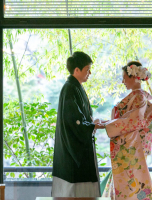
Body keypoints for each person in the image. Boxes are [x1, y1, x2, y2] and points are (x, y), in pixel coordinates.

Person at [101, 61, 152, 200]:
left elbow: (135, 121)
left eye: (124, 77)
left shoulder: (139, 97)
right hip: (130, 147)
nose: (123, 81)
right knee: (129, 185)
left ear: (133, 77)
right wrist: (107, 123)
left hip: (131, 148)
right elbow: (129, 118)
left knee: (130, 187)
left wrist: (106, 125)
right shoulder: (137, 96)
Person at [52, 51, 105, 197]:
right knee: (75, 193)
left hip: (78, 145)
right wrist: (92, 126)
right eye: (87, 70)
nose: (90, 73)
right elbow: (73, 120)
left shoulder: (75, 86)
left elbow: (80, 117)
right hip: (73, 151)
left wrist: (92, 124)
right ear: (77, 70)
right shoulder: (70, 88)